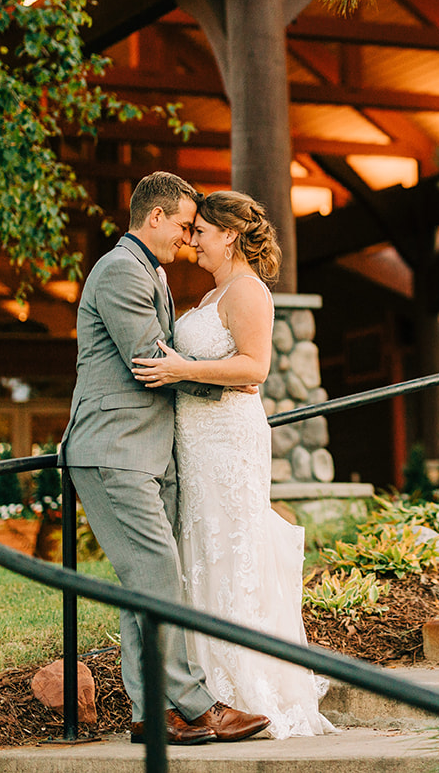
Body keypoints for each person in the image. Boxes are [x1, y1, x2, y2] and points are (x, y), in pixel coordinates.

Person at [60, 172, 270, 746]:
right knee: (156, 576)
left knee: (141, 584)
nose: (186, 238)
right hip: (115, 449)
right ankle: (199, 705)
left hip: (153, 452)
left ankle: (150, 713)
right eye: (182, 225)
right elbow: (149, 359)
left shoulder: (151, 270)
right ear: (155, 217)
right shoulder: (120, 270)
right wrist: (226, 386)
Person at [132, 189, 336, 739]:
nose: (190, 238)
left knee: (230, 549)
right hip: (195, 444)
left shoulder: (247, 291)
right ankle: (202, 692)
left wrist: (179, 371)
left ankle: (242, 690)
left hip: (228, 443)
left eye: (199, 230)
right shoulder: (210, 295)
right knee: (199, 554)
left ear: (228, 234)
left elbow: (255, 367)